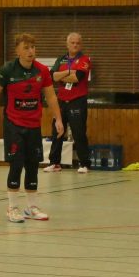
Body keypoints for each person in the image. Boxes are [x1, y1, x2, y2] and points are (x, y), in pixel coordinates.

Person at [0, 33, 64, 223]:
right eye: (26, 48)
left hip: (33, 125)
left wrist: (58, 119)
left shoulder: (42, 71)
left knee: (32, 165)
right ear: (18, 51)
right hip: (14, 125)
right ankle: (12, 208)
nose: (31, 51)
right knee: (16, 164)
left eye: (33, 47)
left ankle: (31, 207)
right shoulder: (7, 70)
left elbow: (51, 96)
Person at [43, 32, 92, 173]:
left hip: (77, 101)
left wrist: (61, 75)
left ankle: (84, 164)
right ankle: (54, 163)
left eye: (78, 43)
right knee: (57, 131)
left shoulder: (84, 59)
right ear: (67, 44)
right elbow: (52, 76)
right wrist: (69, 72)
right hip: (61, 101)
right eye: (72, 42)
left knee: (79, 132)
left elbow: (77, 77)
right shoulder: (61, 59)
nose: (75, 45)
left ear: (80, 45)